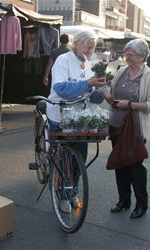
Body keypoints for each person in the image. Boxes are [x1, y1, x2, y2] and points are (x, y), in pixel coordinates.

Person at [46, 30, 107, 212]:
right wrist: (88, 84)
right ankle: (62, 195)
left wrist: (101, 91)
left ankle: (72, 191)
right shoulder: (63, 60)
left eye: (93, 47)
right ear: (77, 43)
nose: (90, 50)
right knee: (64, 157)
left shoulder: (90, 64)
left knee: (80, 157)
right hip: (60, 113)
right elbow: (62, 89)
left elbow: (92, 97)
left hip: (80, 117)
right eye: (88, 46)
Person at [103, 39, 150, 219]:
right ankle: (123, 200)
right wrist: (108, 97)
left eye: (131, 54)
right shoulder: (121, 71)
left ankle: (141, 205)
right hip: (117, 126)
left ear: (142, 56)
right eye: (126, 53)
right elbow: (113, 97)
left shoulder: (149, 76)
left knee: (136, 167)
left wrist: (130, 104)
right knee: (120, 164)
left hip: (135, 129)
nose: (127, 56)